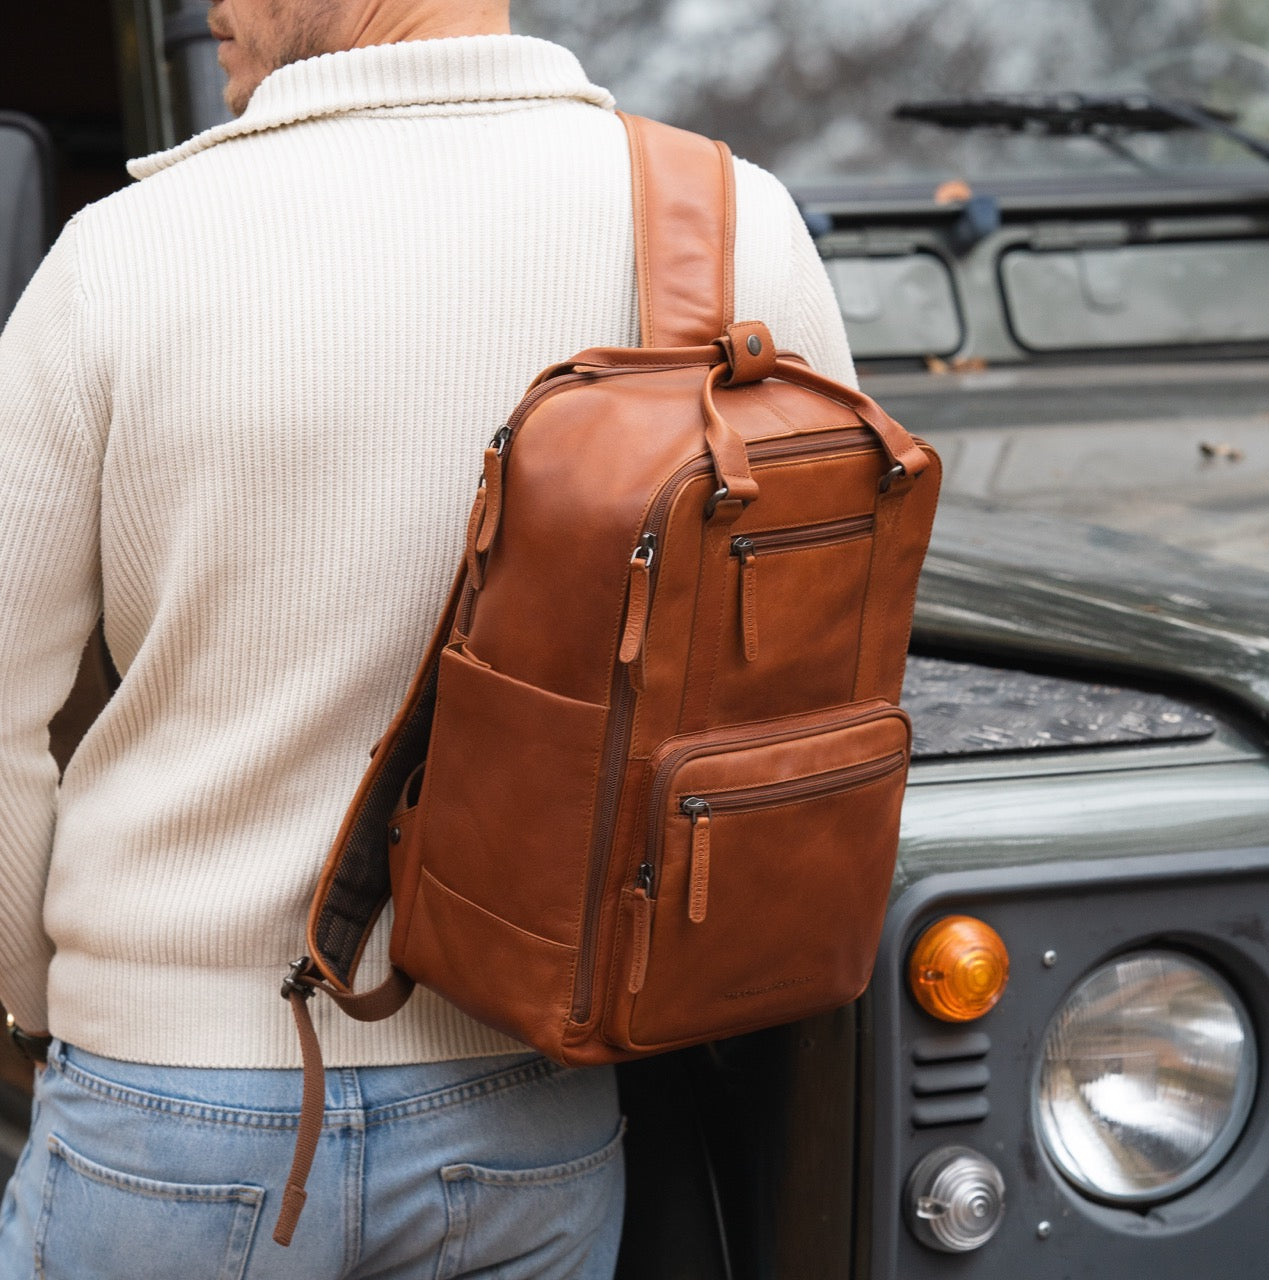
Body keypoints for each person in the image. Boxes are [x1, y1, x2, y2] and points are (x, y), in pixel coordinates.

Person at [0, 0, 856, 1275]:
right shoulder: (728, 226)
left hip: (168, 1120)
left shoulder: (119, 256)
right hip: (533, 1101)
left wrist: (52, 999)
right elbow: (805, 675)